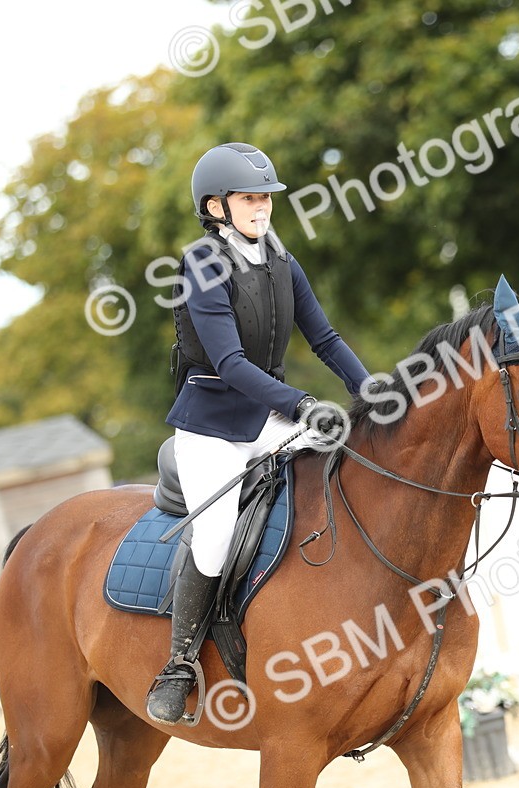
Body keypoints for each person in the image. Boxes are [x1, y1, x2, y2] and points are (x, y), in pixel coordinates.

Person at [146, 143, 372, 725]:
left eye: (266, 199)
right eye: (250, 199)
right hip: (213, 427)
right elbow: (229, 363)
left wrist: (373, 390)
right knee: (217, 534)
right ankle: (180, 662)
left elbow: (324, 339)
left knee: (343, 468)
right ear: (216, 206)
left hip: (270, 417)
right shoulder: (202, 265)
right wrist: (301, 405)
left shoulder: (281, 261)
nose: (263, 208)